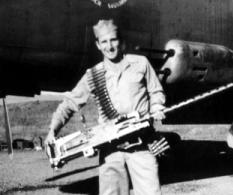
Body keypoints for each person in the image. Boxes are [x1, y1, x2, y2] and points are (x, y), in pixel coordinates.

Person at [45, 19, 169, 195]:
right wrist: (52, 130)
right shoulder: (93, 75)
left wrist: (157, 106)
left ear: (121, 41)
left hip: (142, 145)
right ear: (97, 45)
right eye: (104, 42)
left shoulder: (141, 63)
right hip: (111, 150)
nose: (109, 47)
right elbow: (69, 104)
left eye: (113, 40)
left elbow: (156, 91)